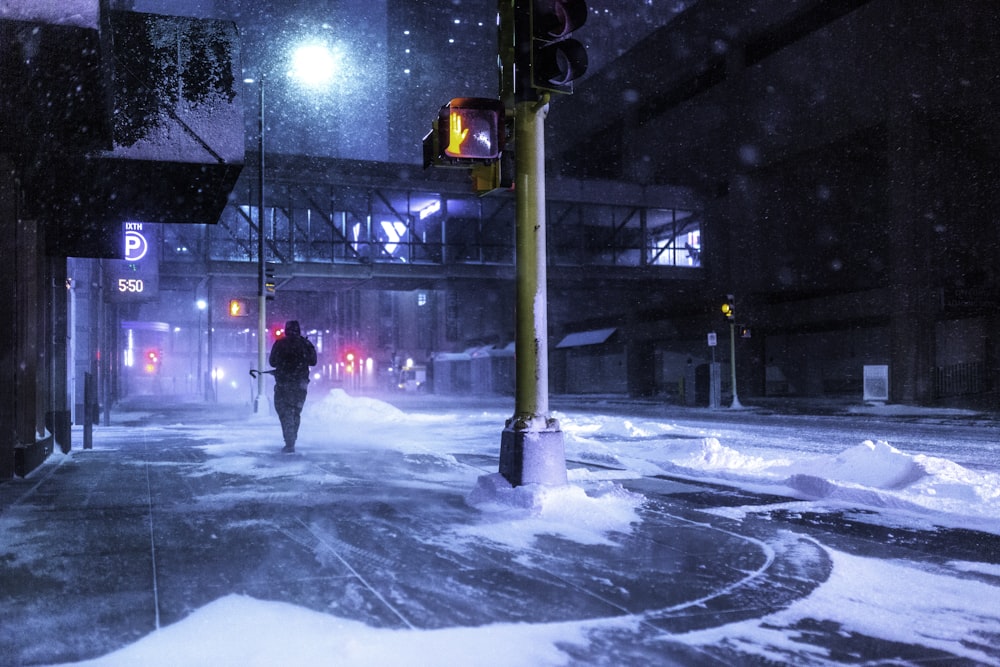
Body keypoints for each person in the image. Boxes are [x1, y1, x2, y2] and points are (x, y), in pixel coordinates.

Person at [268, 320, 317, 453]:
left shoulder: (280, 343)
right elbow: (313, 361)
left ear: (286, 330)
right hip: (301, 384)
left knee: (284, 411)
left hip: (283, 383)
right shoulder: (305, 344)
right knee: (296, 411)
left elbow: (272, 362)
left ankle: (289, 441)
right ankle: (292, 438)